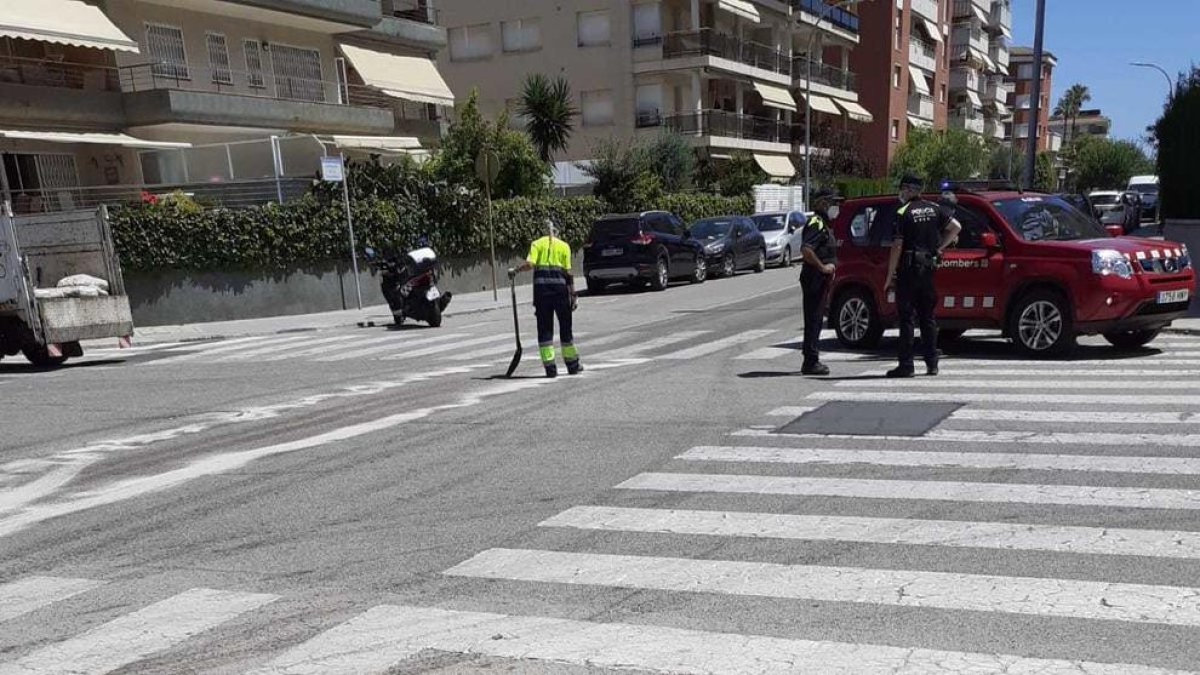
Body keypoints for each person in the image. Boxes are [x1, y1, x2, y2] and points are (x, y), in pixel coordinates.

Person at [884, 175, 962, 378]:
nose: (901, 192)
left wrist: (890, 273)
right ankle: (932, 363)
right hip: (927, 269)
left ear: (911, 189)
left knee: (907, 319)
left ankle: (906, 365)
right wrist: (938, 248)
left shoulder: (903, 211)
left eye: (903, 188)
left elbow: (898, 245)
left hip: (908, 270)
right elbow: (956, 227)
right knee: (928, 317)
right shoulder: (935, 208)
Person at [509, 219, 582, 378]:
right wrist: (573, 294)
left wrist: (516, 270)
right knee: (565, 328)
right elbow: (568, 274)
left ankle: (550, 368)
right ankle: (572, 365)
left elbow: (530, 264)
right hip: (561, 293)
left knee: (545, 330)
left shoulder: (537, 244)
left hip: (542, 294)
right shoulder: (564, 246)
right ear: (557, 231)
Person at [798, 187, 843, 376]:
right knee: (814, 319)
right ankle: (810, 360)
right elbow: (806, 250)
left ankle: (811, 358)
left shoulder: (824, 223)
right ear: (823, 203)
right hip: (814, 278)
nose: (836, 207)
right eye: (833, 203)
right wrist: (823, 267)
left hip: (819, 279)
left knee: (815, 319)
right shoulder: (816, 223)